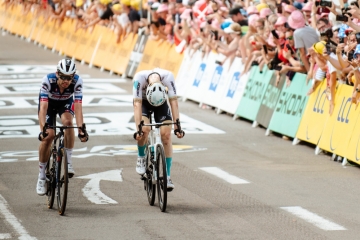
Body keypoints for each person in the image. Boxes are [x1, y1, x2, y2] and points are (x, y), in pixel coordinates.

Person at [36, 59, 89, 196]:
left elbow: (78, 108)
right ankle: (41, 176)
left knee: (68, 123)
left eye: (69, 77)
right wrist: (42, 130)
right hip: (48, 105)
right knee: (49, 135)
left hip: (64, 103)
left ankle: (69, 162)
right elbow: (42, 109)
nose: (66, 81)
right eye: (63, 77)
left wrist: (81, 130)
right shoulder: (48, 80)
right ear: (57, 74)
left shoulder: (77, 82)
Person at [132, 68, 185, 191]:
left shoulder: (168, 76)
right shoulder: (139, 78)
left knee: (166, 135)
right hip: (143, 102)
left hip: (161, 102)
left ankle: (168, 176)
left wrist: (177, 126)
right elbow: (137, 105)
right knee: (144, 130)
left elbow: (174, 102)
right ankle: (141, 157)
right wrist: (138, 129)